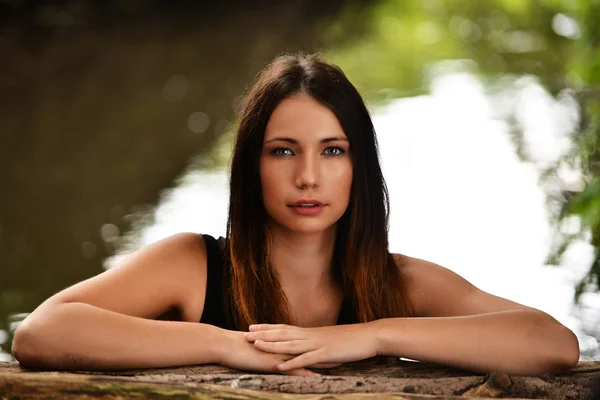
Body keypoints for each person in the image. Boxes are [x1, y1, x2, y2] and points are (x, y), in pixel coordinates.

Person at [12, 52, 579, 376]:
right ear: (251, 166)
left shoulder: (399, 282)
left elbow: (551, 343)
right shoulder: (194, 264)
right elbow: (41, 332)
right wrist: (227, 344)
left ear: (359, 167)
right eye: (283, 150)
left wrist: (371, 335)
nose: (308, 176)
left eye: (333, 151)